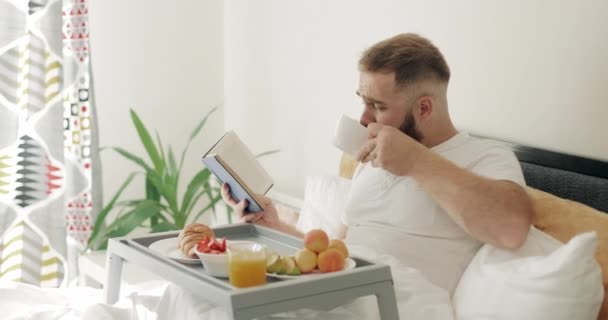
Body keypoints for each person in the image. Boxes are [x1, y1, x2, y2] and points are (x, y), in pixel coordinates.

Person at [221, 33, 533, 293]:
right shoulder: (372, 158)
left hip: (396, 302)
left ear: (424, 108)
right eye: (363, 101)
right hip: (337, 288)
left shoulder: (486, 157)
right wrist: (274, 225)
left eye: (378, 106)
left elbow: (511, 229)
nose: (364, 118)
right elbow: (339, 252)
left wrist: (413, 160)